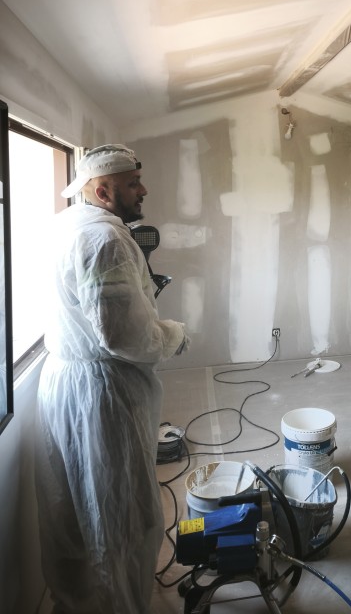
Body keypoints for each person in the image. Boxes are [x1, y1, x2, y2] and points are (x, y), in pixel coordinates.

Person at [35, 144, 189, 614]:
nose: (143, 190)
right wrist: (173, 335)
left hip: (62, 379)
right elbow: (125, 334)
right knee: (119, 517)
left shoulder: (65, 225)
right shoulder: (106, 239)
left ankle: (76, 604)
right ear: (102, 191)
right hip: (100, 392)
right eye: (132, 184)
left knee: (71, 515)